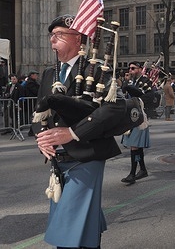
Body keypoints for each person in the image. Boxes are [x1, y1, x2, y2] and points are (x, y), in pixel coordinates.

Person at [35, 14, 130, 248]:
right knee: (82, 224)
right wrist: (42, 137)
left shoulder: (97, 70)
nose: (52, 41)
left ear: (77, 39)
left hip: (87, 154)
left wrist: (74, 133)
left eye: (58, 36)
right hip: (59, 159)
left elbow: (115, 108)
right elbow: (39, 112)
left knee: (67, 228)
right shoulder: (49, 73)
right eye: (51, 36)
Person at [120, 61, 151, 185]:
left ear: (139, 69)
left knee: (134, 145)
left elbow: (149, 97)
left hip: (140, 118)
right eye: (129, 68)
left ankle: (132, 174)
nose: (130, 70)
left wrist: (136, 96)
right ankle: (143, 169)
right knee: (137, 146)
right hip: (130, 117)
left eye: (133, 68)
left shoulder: (146, 81)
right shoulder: (130, 82)